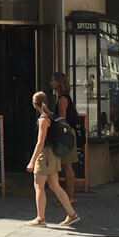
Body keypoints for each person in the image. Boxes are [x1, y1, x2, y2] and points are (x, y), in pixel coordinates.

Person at [26, 91, 80, 227]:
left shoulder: (43, 119)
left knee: (38, 186)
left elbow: (40, 142)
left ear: (34, 104)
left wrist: (32, 161)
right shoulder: (51, 116)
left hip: (45, 155)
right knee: (54, 185)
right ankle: (72, 214)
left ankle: (40, 218)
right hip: (54, 155)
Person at [49, 72, 81, 205]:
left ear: (59, 83)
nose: (51, 83)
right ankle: (67, 196)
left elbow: (62, 119)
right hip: (68, 132)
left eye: (53, 80)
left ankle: (70, 197)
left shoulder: (62, 99)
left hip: (65, 134)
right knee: (65, 165)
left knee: (67, 165)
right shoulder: (66, 98)